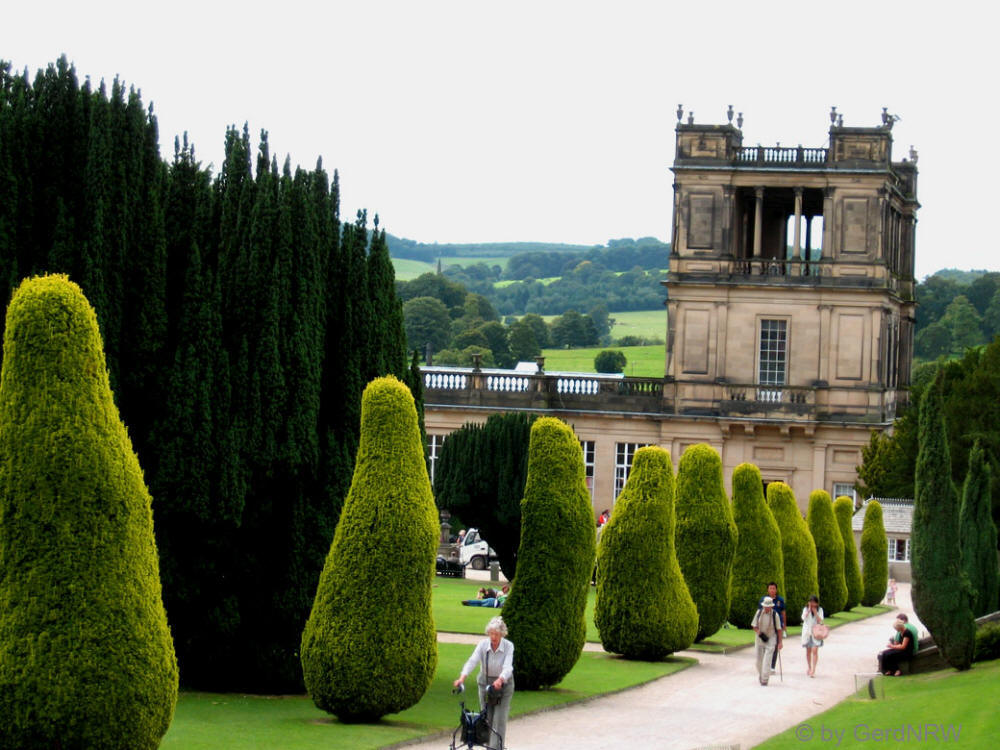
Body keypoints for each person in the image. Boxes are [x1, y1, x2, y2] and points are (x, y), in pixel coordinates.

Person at [454, 616, 514, 749]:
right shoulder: (483, 645)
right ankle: (489, 746)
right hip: (485, 683)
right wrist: (462, 677)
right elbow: (472, 661)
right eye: (491, 633)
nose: (493, 637)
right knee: (486, 718)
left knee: (499, 719)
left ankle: (496, 747)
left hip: (504, 684)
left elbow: (508, 667)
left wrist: (500, 679)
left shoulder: (508, 646)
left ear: (502, 634)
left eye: (496, 634)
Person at [751, 596, 783, 686]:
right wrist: (760, 633)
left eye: (768, 606)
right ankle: (761, 675)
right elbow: (754, 625)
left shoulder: (775, 615)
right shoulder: (759, 613)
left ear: (771, 606)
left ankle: (765, 679)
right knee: (758, 660)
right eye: (765, 606)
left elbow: (779, 629)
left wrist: (780, 642)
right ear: (763, 606)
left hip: (771, 637)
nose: (767, 608)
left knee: (767, 660)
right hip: (760, 637)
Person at [758, 582, 787, 673]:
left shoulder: (780, 600)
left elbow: (783, 613)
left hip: (777, 626)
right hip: (765, 626)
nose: (772, 590)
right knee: (764, 645)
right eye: (770, 588)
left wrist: (784, 625)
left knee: (774, 646)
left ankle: (772, 666)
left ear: (776, 590)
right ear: (768, 590)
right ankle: (764, 664)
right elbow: (759, 612)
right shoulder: (763, 600)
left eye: (773, 588)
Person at [800, 595, 825, 677]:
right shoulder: (805, 609)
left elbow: (820, 621)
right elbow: (803, 618)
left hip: (816, 632)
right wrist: (808, 611)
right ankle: (809, 667)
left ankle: (813, 669)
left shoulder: (820, 610)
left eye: (814, 602)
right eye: (811, 602)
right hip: (807, 632)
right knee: (808, 651)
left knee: (815, 650)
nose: (813, 604)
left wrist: (815, 613)